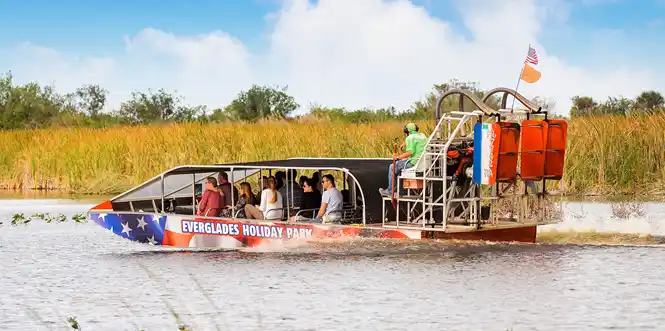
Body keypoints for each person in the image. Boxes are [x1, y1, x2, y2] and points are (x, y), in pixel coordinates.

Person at [379, 122, 427, 197]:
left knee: (392, 167)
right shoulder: (423, 136)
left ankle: (390, 191)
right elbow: (415, 139)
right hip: (422, 163)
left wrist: (397, 157)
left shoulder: (410, 138)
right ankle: (399, 191)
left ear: (407, 131)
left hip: (413, 162)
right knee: (398, 167)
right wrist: (405, 143)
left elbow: (410, 152)